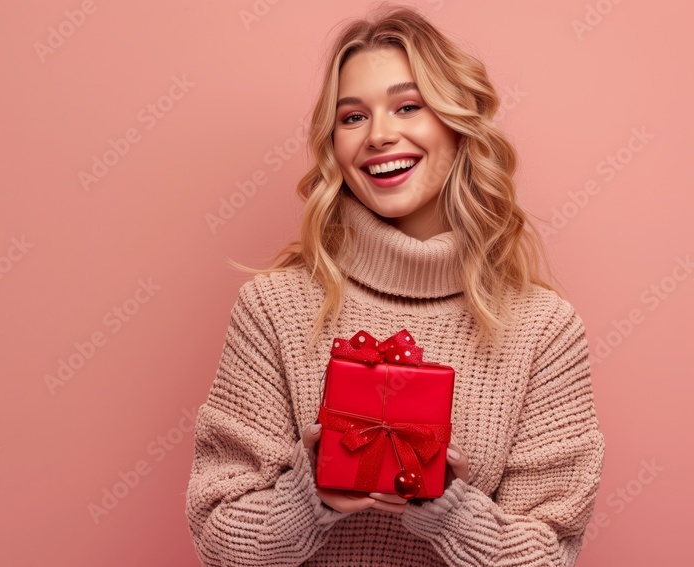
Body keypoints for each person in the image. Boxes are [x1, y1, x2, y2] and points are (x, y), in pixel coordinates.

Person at [185, 4, 605, 566]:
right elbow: (217, 539)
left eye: (408, 107)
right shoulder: (273, 307)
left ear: (457, 126)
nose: (379, 135)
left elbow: (551, 556)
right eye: (353, 117)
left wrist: (451, 509)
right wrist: (310, 495)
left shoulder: (543, 330)